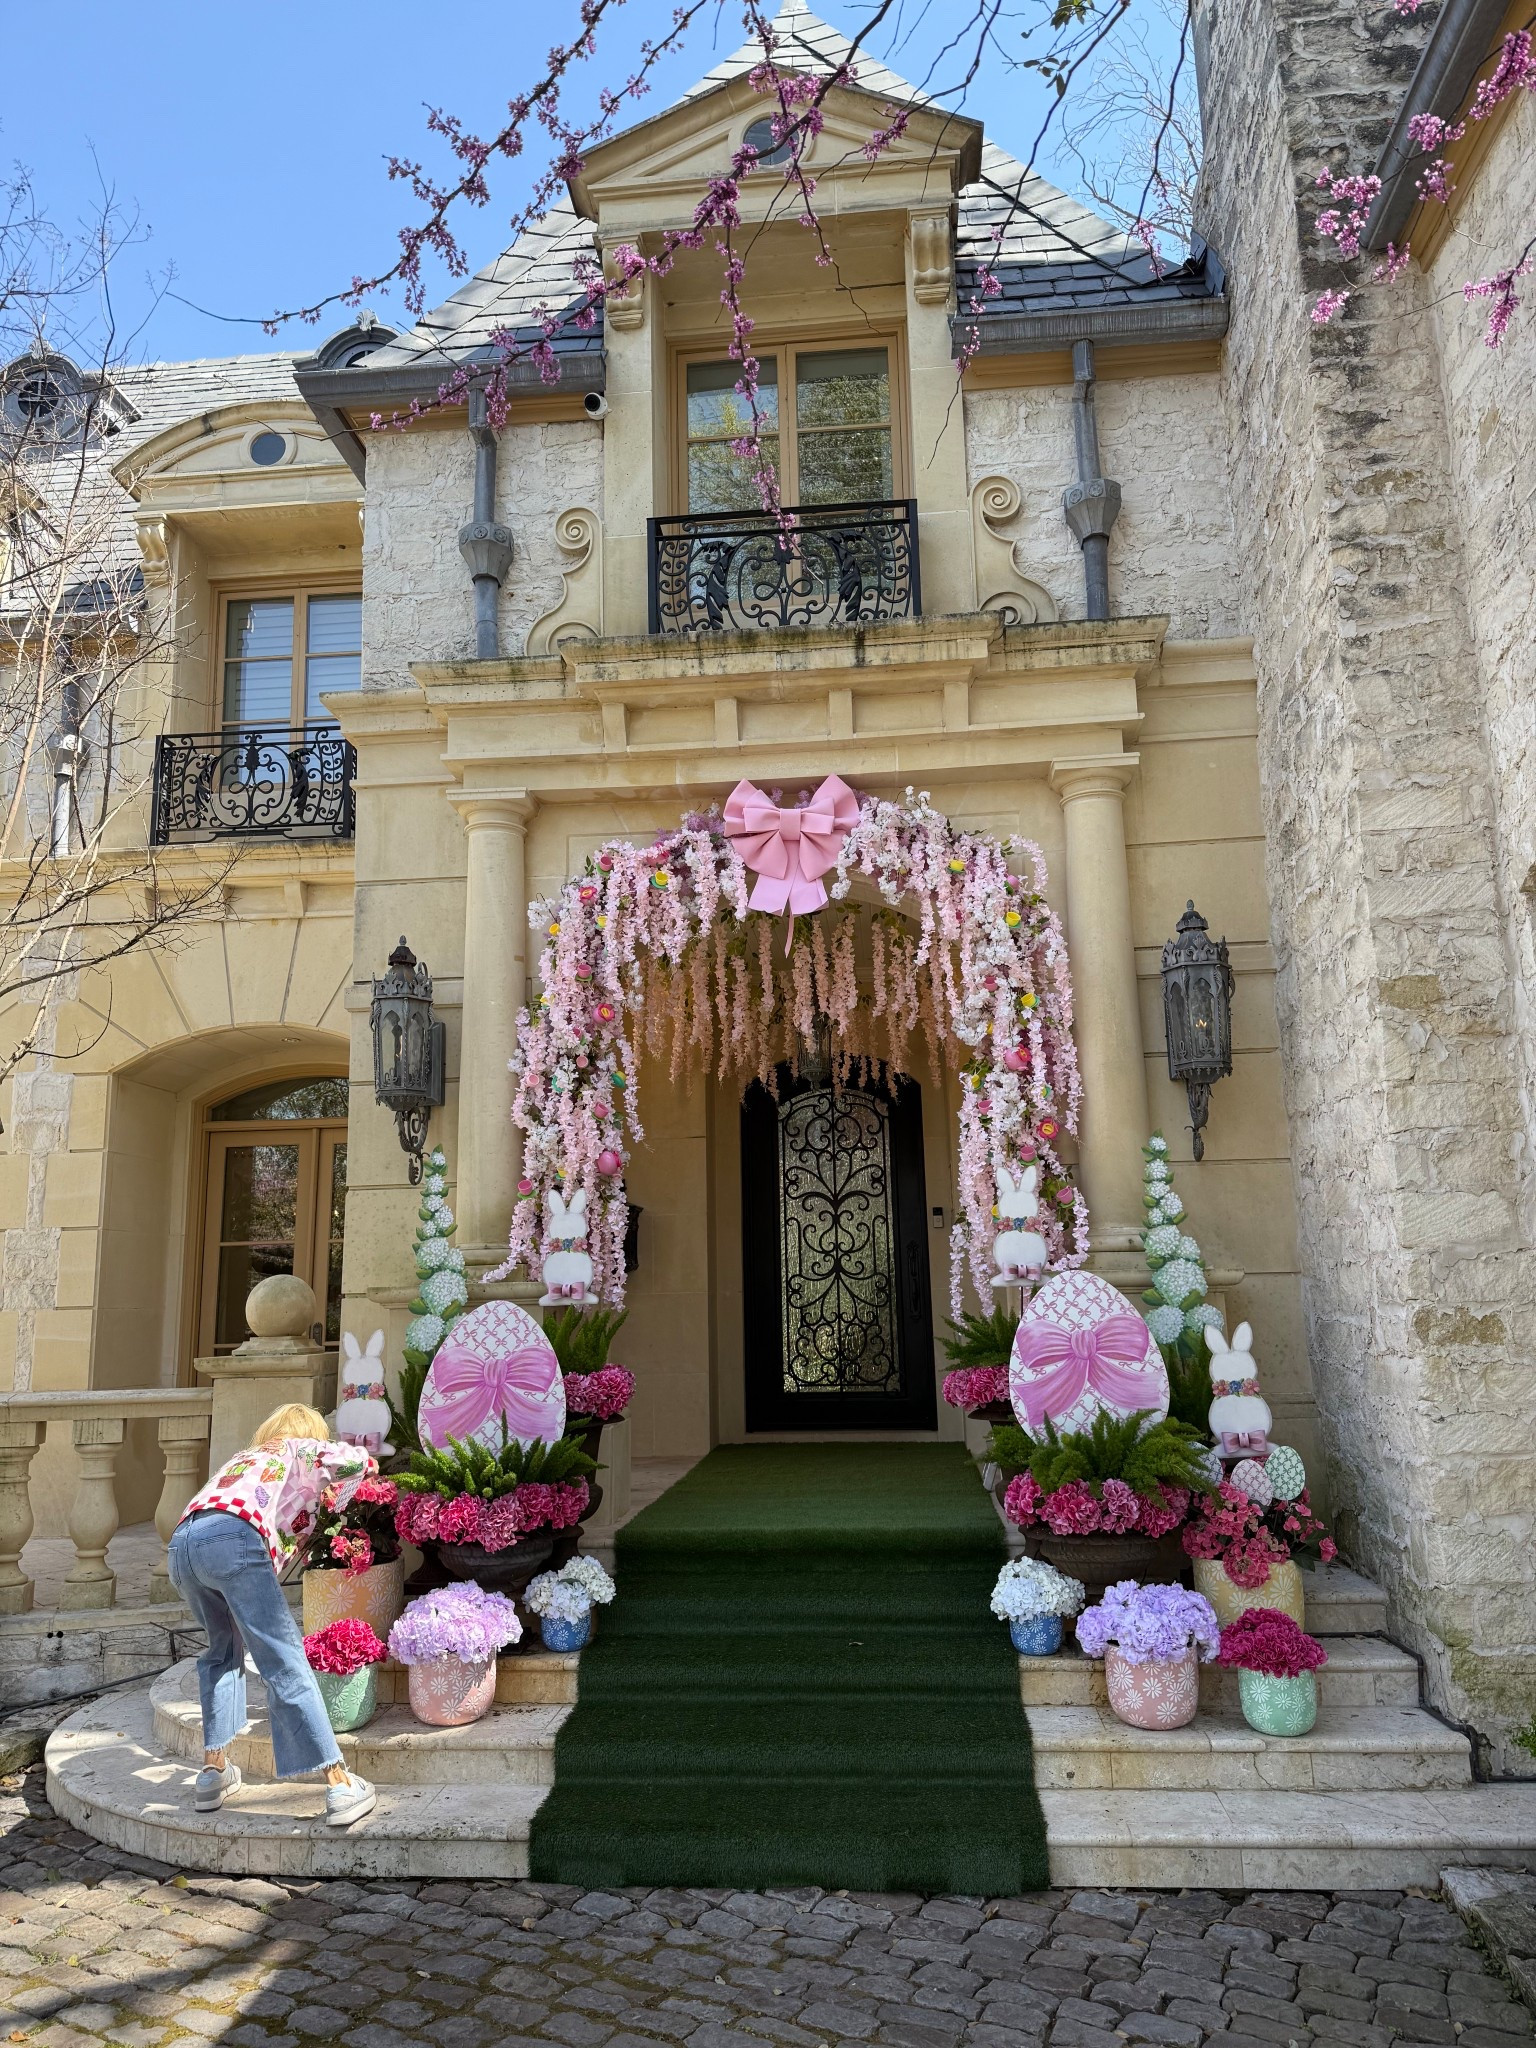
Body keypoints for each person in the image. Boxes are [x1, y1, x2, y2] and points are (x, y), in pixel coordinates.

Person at [168, 1403, 379, 1826]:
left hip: (182, 1547)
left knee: (221, 1653)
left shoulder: (244, 1459)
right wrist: (366, 1467)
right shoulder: (297, 1448)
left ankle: (213, 1773)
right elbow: (350, 1460)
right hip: (232, 1539)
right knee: (283, 1658)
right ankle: (339, 1783)